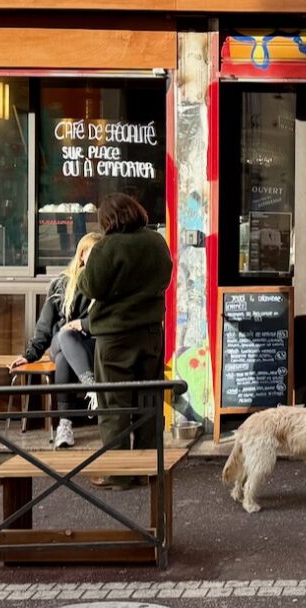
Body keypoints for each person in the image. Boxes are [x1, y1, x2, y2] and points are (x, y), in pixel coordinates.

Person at [79, 193, 174, 490]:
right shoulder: (156, 242)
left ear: (109, 219)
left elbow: (90, 285)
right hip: (150, 333)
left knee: (114, 407)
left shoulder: (107, 247)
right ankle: (149, 469)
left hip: (114, 338)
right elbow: (166, 279)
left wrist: (83, 271)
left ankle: (119, 473)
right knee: (149, 402)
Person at [9, 232, 103, 449]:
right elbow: (44, 325)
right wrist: (29, 355)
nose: (98, 258)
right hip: (60, 342)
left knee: (62, 360)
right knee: (65, 334)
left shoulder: (104, 284)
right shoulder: (61, 284)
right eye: (93, 253)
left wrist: (83, 325)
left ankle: (65, 425)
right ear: (82, 256)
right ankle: (92, 387)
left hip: (91, 345)